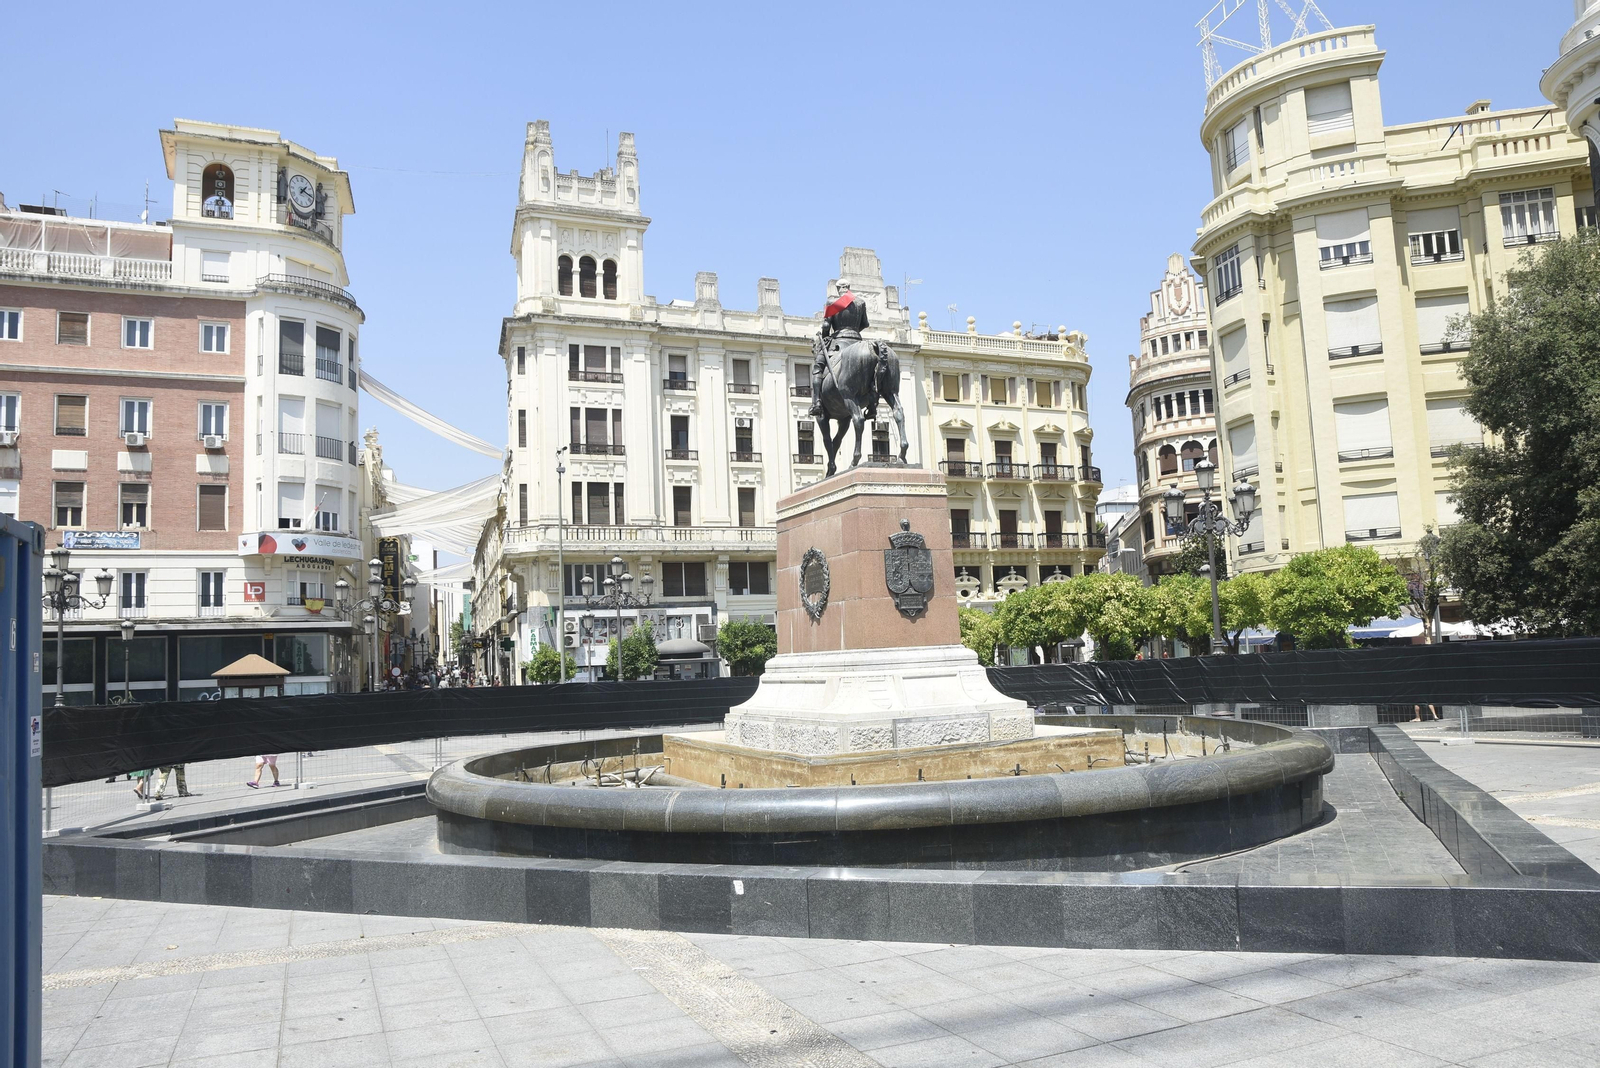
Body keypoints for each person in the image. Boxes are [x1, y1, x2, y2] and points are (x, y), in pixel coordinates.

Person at [809, 281, 870, 417]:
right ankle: (873, 403)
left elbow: (826, 326)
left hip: (838, 341)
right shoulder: (860, 302)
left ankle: (817, 402)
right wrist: (854, 331)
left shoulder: (832, 301)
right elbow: (865, 324)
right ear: (849, 287)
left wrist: (825, 338)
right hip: (857, 341)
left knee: (818, 368)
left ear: (838, 289)